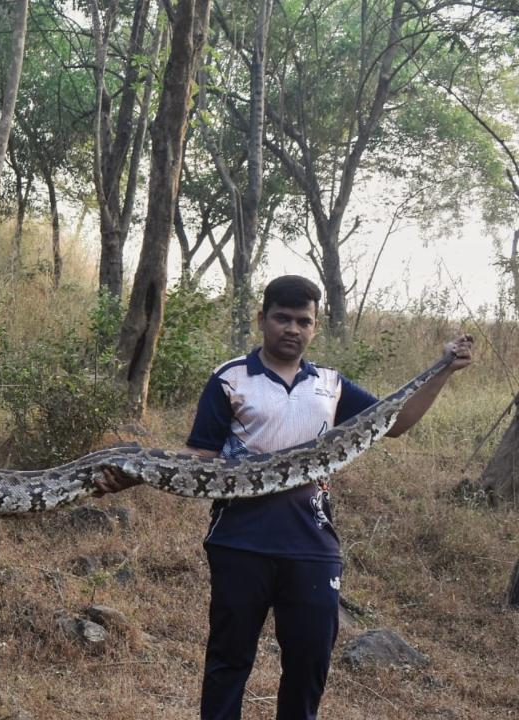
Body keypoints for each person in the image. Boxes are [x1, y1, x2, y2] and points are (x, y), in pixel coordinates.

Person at [95, 275, 472, 720]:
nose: (292, 329)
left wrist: (443, 369)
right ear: (262, 319)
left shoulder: (331, 385)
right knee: (229, 659)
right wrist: (134, 474)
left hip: (312, 544)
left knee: (309, 662)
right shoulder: (230, 378)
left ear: (315, 327)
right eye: (282, 318)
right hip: (240, 540)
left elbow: (396, 421)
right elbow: (199, 458)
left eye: (303, 321)